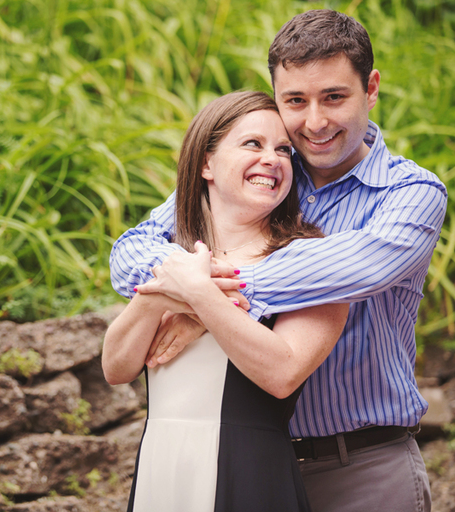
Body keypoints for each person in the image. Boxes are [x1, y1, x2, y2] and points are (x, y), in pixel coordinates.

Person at [110, 9, 447, 512]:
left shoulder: (409, 193)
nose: (314, 122)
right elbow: (132, 251)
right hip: (250, 464)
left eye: (334, 97)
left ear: (371, 88)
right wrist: (179, 282)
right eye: (295, 100)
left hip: (362, 466)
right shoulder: (260, 177)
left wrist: (204, 295)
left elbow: (354, 271)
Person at [103, 90, 349, 512]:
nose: (272, 158)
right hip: (162, 470)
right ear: (206, 163)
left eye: (284, 150)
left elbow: (283, 372)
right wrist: (162, 293)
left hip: (249, 472)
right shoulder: (171, 257)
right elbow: (116, 367)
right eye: (253, 144)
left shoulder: (310, 260)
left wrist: (199, 294)